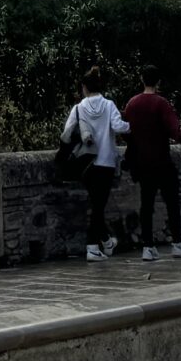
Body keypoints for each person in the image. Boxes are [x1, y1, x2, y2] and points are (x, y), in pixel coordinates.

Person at [122, 66, 181, 259]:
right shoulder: (161, 104)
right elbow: (176, 133)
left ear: (142, 79)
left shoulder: (132, 104)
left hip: (142, 163)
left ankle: (148, 247)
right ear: (158, 82)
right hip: (162, 161)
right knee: (172, 203)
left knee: (147, 204)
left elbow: (125, 131)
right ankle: (177, 243)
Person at [62, 68, 129, 260]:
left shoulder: (79, 108)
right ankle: (93, 246)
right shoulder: (109, 105)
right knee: (99, 206)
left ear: (84, 87)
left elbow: (67, 132)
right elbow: (118, 126)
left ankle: (106, 241)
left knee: (96, 204)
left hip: (86, 163)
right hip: (106, 162)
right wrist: (130, 126)